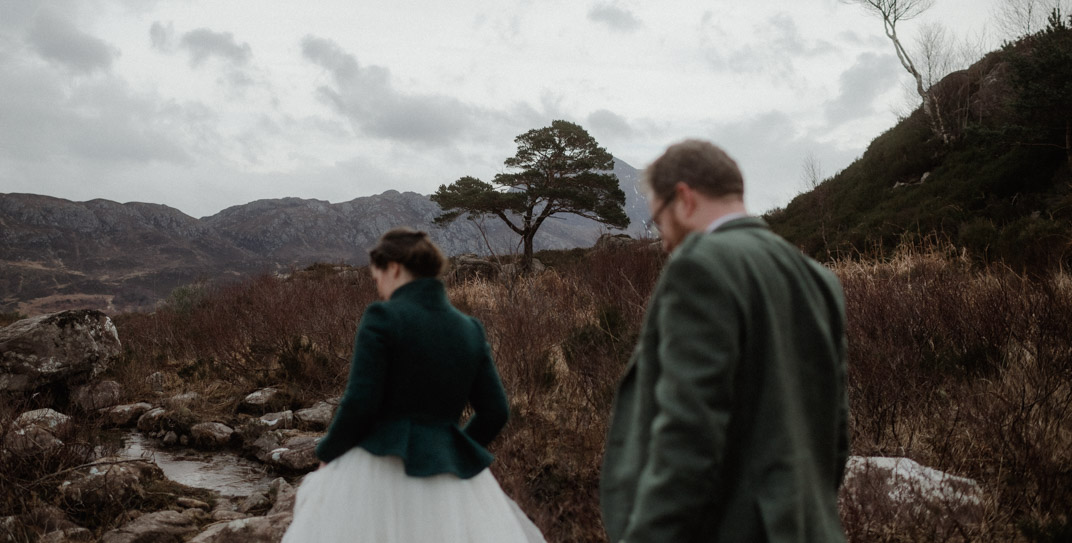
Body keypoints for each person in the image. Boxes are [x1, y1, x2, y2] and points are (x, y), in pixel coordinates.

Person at [600, 140, 849, 543]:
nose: (663, 241)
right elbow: (836, 435)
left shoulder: (700, 266)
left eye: (659, 222)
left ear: (683, 198)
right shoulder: (820, 280)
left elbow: (689, 433)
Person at [281, 227, 546, 543]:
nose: (377, 284)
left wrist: (328, 454)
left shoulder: (383, 316)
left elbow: (360, 402)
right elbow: (495, 412)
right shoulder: (469, 329)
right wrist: (452, 450)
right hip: (449, 476)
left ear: (393, 267)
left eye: (376, 274)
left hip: (381, 468)